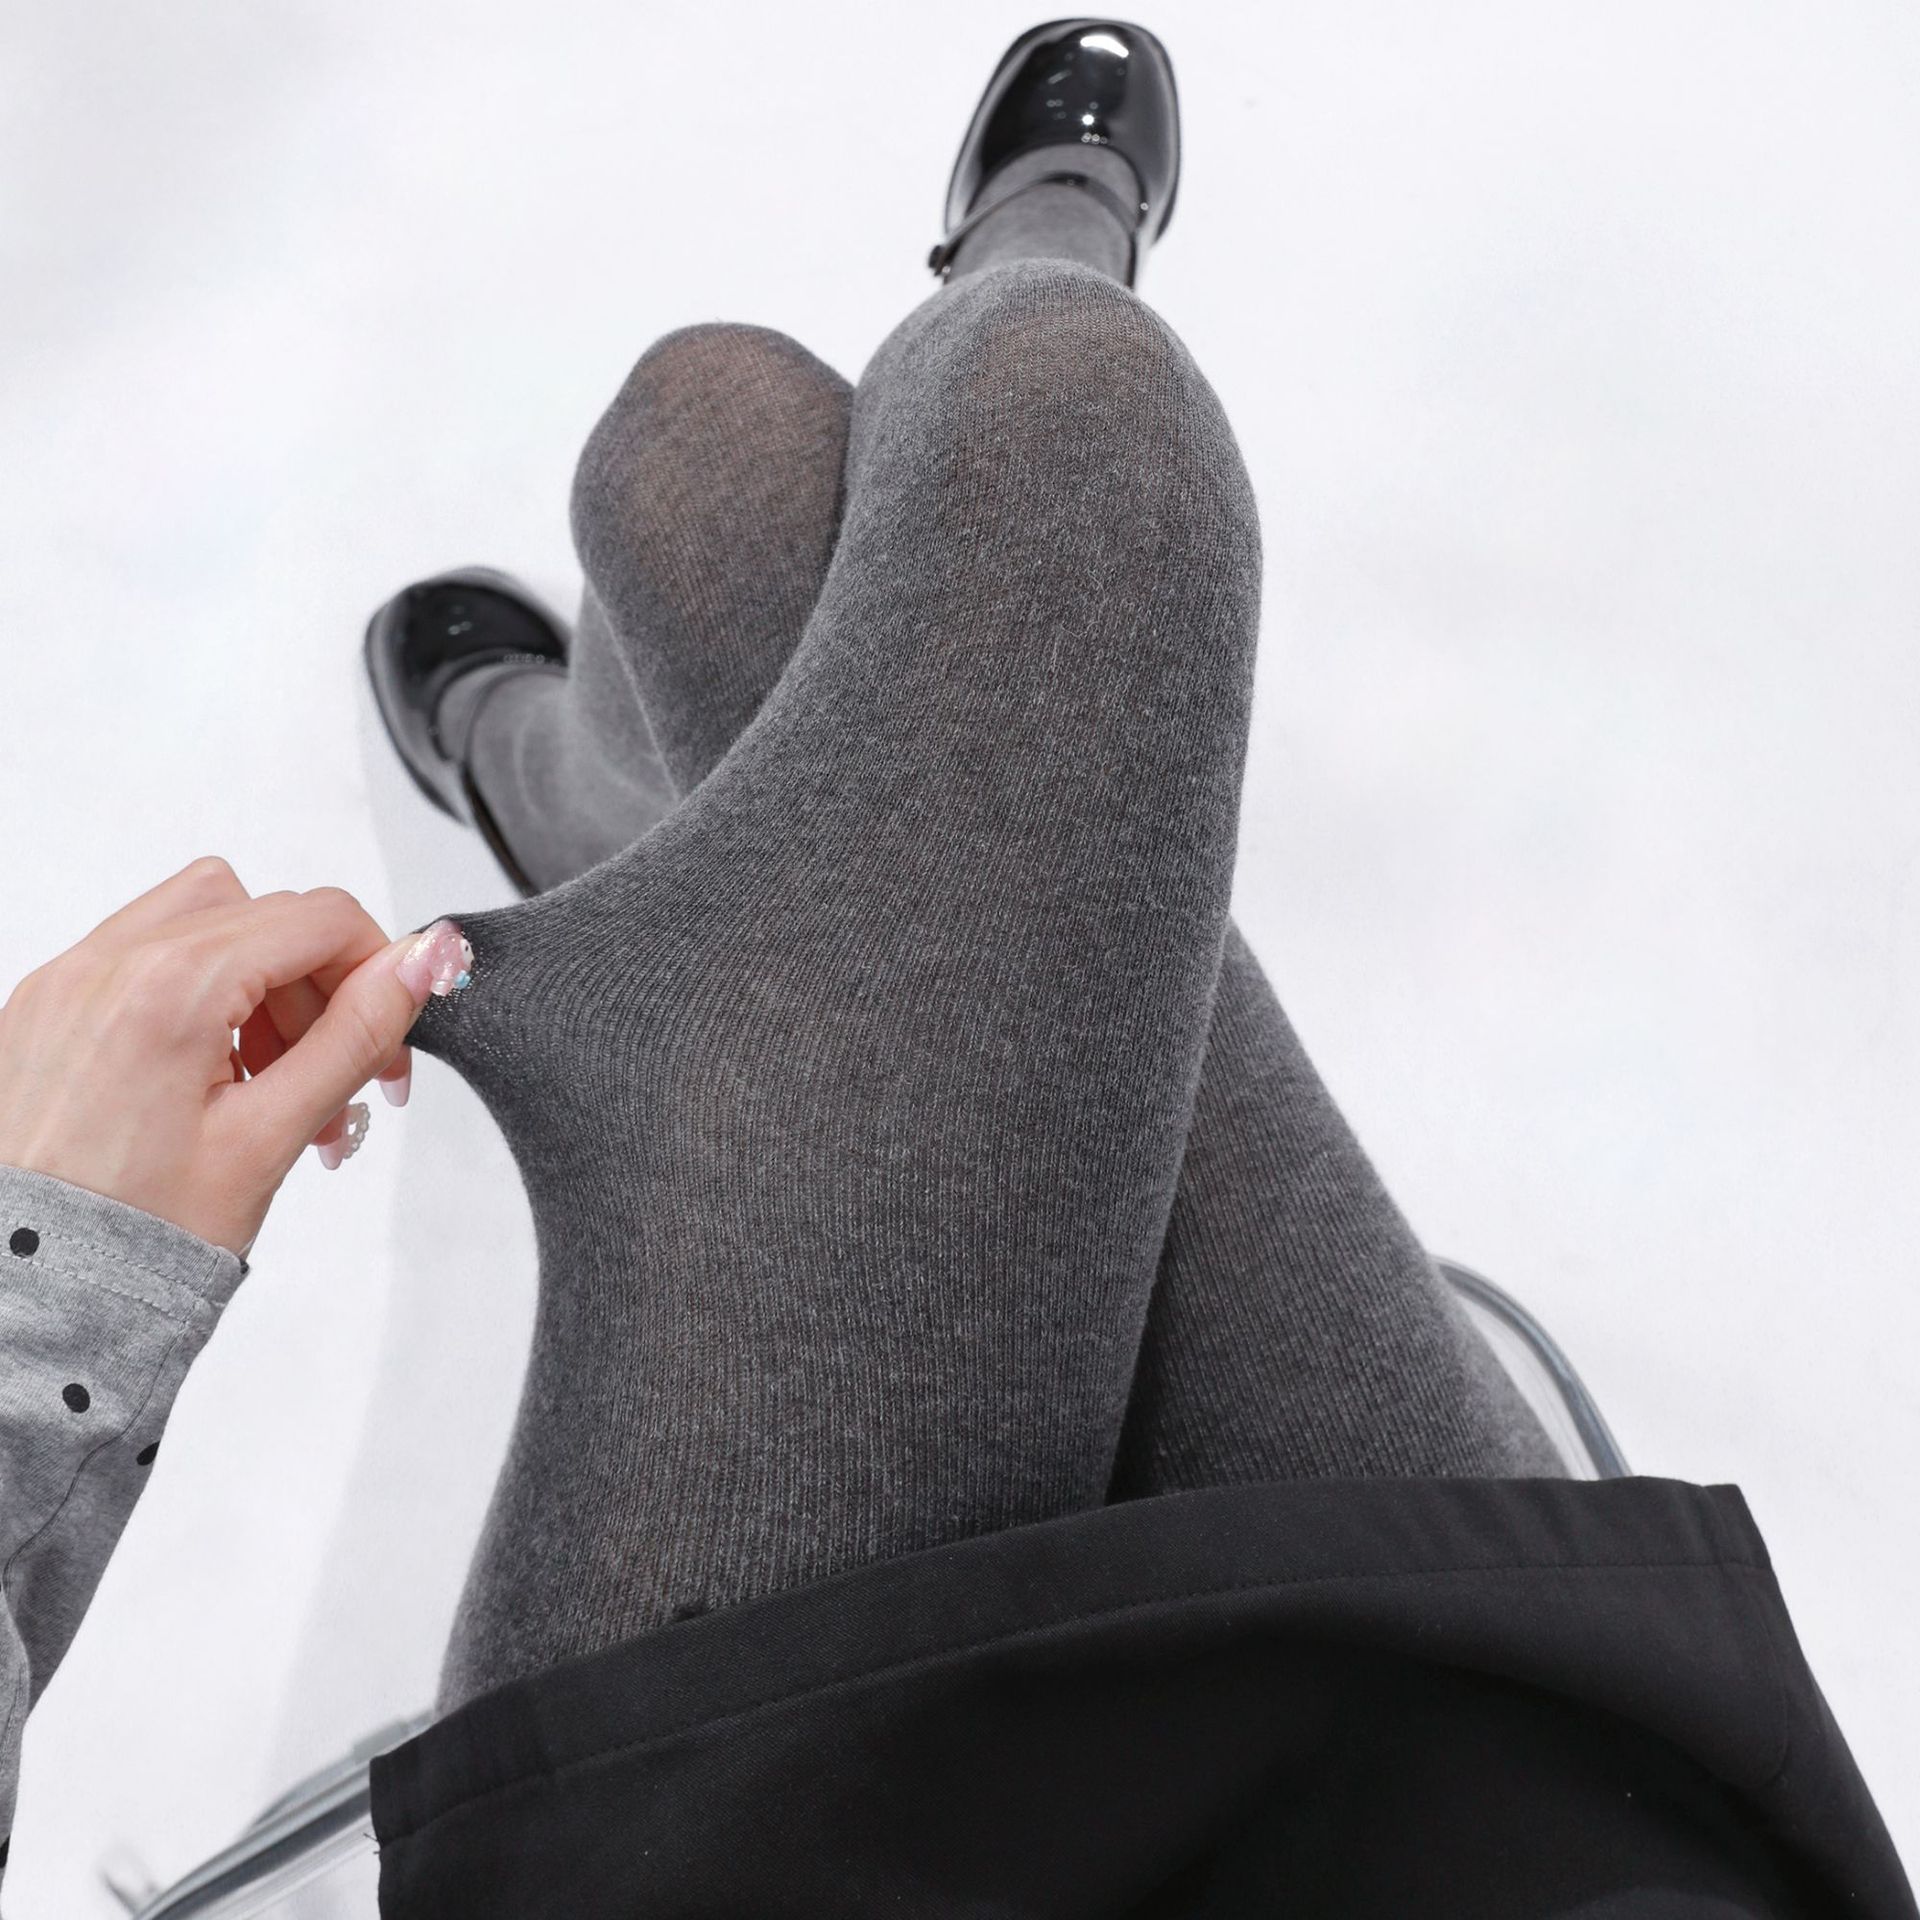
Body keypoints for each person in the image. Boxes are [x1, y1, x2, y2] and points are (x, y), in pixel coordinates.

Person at [0, 20, 1909, 1916]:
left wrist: (41, 1301)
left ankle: (583, 780)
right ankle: (985, 309)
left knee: (720, 460)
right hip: (1481, 1804)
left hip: (767, 1859)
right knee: (965, 445)